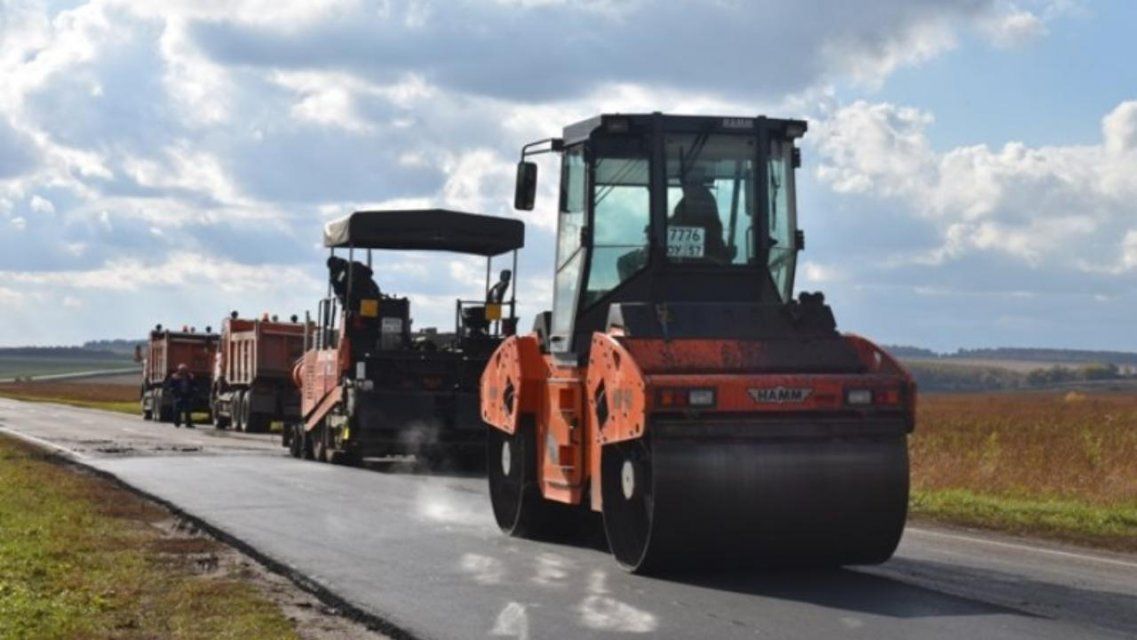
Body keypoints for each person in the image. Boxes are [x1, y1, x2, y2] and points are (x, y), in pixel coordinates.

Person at [166, 363, 195, 429]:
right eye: (182, 370)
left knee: (188, 410)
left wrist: (193, 392)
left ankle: (188, 423)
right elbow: (170, 385)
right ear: (179, 370)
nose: (183, 371)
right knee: (177, 410)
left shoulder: (190, 376)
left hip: (187, 395)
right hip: (178, 395)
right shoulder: (174, 376)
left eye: (185, 370)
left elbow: (194, 385)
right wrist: (173, 392)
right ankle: (177, 423)